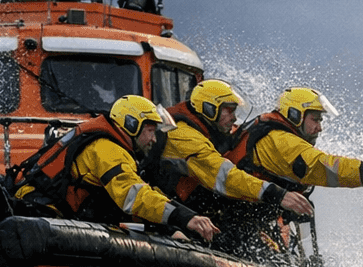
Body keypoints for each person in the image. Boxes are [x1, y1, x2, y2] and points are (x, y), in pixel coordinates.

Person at [219, 87, 363, 251]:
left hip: (247, 217)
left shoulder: (280, 136)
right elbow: (327, 168)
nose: (320, 128)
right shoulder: (281, 143)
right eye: (315, 119)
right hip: (231, 219)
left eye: (320, 121)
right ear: (295, 115)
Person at [11, 94, 218, 243]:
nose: (154, 139)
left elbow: (134, 197)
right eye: (150, 130)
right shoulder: (106, 150)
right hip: (44, 216)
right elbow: (134, 197)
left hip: (60, 216)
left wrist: (169, 227)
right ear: (131, 125)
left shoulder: (114, 147)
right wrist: (185, 217)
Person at [153, 78, 312, 218]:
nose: (234, 117)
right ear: (209, 109)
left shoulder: (213, 130)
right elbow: (224, 176)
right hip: (168, 207)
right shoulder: (183, 136)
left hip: (192, 204)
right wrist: (276, 194)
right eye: (229, 110)